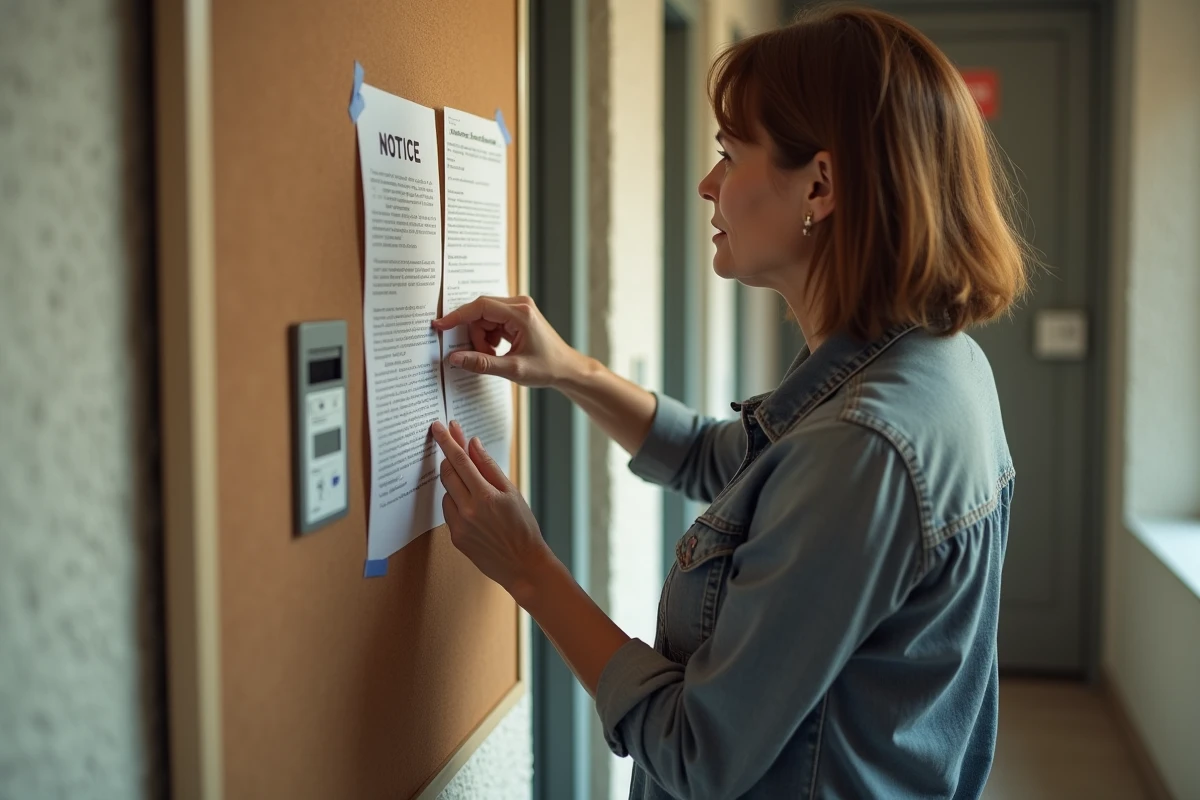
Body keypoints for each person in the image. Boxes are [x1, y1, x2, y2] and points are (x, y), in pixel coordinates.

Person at [429, 5, 1027, 798]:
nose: (708, 183)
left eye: (728, 153)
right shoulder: (928, 364)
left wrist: (530, 571)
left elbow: (697, 752)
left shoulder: (865, 444)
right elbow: (729, 463)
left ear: (820, 184)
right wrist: (571, 369)